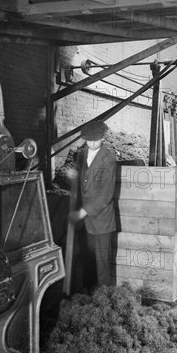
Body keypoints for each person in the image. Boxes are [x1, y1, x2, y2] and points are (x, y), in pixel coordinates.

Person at [69, 121, 118, 291]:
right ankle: (88, 293)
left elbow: (106, 195)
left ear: (102, 138)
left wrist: (83, 212)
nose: (91, 144)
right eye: (88, 140)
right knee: (87, 257)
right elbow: (80, 177)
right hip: (86, 220)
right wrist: (73, 174)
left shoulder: (109, 160)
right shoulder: (82, 155)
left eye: (95, 140)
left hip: (102, 219)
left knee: (102, 262)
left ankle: (105, 297)